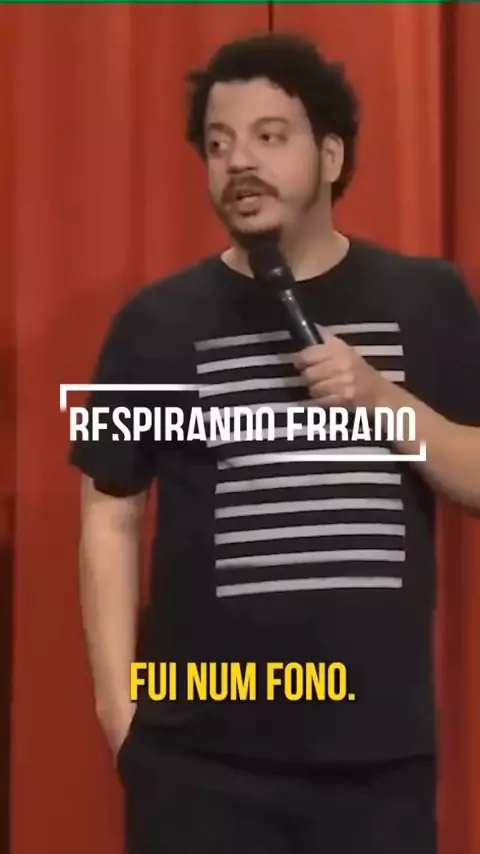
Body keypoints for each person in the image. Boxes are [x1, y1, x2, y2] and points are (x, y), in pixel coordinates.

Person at [69, 32, 480, 854]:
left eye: (269, 136)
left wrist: (381, 397)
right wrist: (121, 719)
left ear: (330, 154)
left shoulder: (429, 299)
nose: (240, 162)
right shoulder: (151, 324)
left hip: (375, 765)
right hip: (196, 763)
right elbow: (108, 516)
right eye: (220, 144)